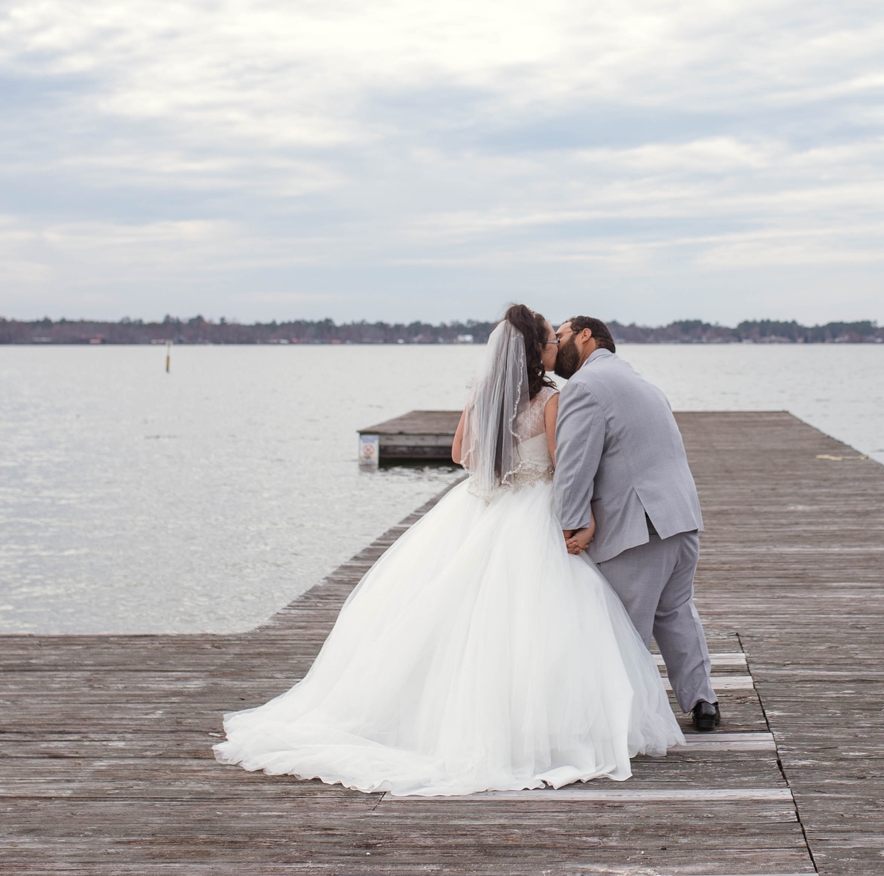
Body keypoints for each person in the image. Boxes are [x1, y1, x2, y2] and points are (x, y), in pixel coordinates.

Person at [212, 305, 681, 795]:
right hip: (534, 512)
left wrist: (504, 467)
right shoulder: (550, 399)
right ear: (532, 350)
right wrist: (580, 515)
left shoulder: (482, 396)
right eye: (546, 340)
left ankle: (436, 723)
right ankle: (538, 729)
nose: (552, 346)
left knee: (456, 615)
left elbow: (461, 454)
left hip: (483, 507)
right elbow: (567, 470)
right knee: (539, 621)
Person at [551, 316, 720, 732]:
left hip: (640, 528)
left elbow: (575, 466)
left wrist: (570, 525)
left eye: (560, 337)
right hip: (679, 518)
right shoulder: (637, 380)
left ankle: (628, 724)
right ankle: (702, 701)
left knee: (625, 630)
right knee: (676, 611)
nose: (555, 347)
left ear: (586, 336)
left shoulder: (585, 387)